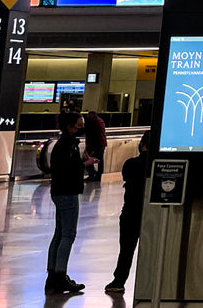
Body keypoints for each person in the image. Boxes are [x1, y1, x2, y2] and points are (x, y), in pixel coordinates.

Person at [46, 111, 93, 294]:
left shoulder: (65, 144)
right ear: (69, 126)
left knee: (59, 234)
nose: (81, 129)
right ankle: (60, 275)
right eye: (78, 126)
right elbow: (68, 168)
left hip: (60, 192)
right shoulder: (67, 145)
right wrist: (85, 164)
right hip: (67, 193)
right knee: (68, 235)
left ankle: (53, 275)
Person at [104, 138, 151, 293]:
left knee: (126, 249)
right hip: (151, 213)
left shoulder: (130, 164)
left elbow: (126, 178)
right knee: (151, 250)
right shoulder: (157, 165)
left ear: (142, 144)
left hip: (130, 211)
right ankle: (149, 282)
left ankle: (119, 280)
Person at [84, 111, 106, 182]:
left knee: (88, 159)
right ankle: (98, 176)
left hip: (95, 145)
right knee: (100, 161)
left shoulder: (93, 123)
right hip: (101, 144)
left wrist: (90, 147)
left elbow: (92, 135)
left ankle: (91, 175)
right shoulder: (100, 121)